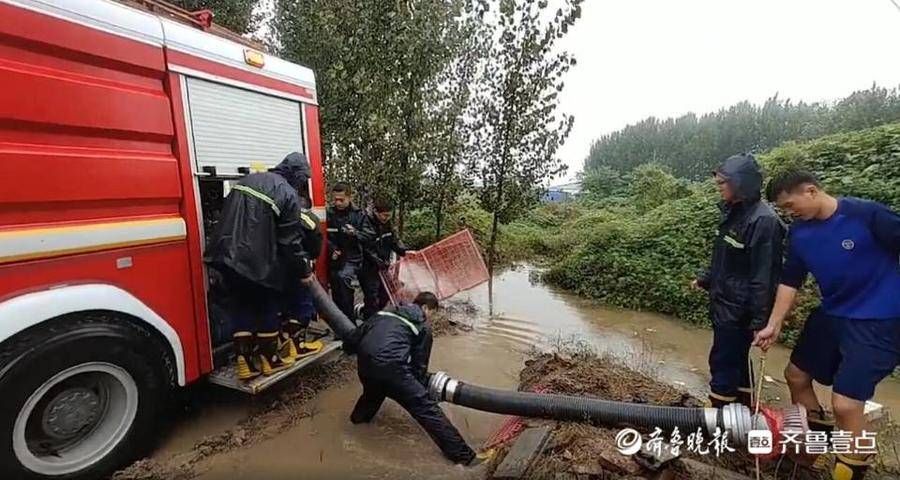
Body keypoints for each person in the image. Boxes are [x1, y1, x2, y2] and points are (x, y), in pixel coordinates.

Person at [754, 170, 900, 480]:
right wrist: (774, 324)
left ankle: (850, 468)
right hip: (833, 312)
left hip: (878, 319)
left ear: (811, 191)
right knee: (795, 375)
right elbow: (791, 279)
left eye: (791, 205)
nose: (790, 213)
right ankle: (811, 449)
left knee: (846, 404)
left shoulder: (867, 215)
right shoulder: (799, 232)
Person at [205, 152, 315, 380]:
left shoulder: (247, 181)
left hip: (224, 256)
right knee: (267, 307)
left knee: (242, 307)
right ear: (297, 175)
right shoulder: (287, 193)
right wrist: (303, 271)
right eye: (303, 179)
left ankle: (244, 362)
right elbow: (290, 241)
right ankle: (269, 361)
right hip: (256, 262)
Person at [348, 292, 484, 466]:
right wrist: (420, 388)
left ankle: (356, 426)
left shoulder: (383, 314)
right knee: (427, 409)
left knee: (372, 394)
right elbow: (419, 366)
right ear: (425, 308)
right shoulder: (422, 325)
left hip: (365, 367)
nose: (430, 319)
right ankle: (467, 458)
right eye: (432, 314)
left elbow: (352, 340)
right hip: (392, 370)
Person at [692, 153, 784, 408]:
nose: (718, 187)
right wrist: (706, 279)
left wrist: (759, 320)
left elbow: (764, 275)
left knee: (724, 362)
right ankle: (741, 414)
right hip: (726, 302)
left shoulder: (763, 221)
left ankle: (719, 421)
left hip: (738, 309)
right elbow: (726, 257)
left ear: (741, 183)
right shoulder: (735, 212)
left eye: (723, 183)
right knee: (737, 363)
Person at [280, 193, 325, 360]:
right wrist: (308, 263)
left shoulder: (277, 215)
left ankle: (285, 343)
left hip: (275, 270)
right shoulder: (308, 218)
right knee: (303, 305)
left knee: (284, 306)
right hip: (299, 268)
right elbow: (315, 242)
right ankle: (297, 345)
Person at [327, 183, 375, 322]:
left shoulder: (358, 215)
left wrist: (355, 233)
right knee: (336, 288)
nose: (338, 203)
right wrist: (332, 249)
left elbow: (369, 235)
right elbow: (323, 236)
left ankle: (350, 321)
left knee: (344, 280)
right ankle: (341, 323)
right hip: (335, 258)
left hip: (353, 257)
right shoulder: (329, 213)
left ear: (349, 197)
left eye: (341, 200)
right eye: (335, 199)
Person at [359, 197, 408, 320]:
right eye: (384, 215)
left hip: (383, 265)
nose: (386, 218)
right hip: (368, 267)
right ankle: (370, 323)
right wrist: (379, 261)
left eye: (388, 216)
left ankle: (375, 318)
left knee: (385, 293)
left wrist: (404, 251)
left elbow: (394, 240)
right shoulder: (366, 222)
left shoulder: (387, 224)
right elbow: (367, 248)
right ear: (376, 211)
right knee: (372, 296)